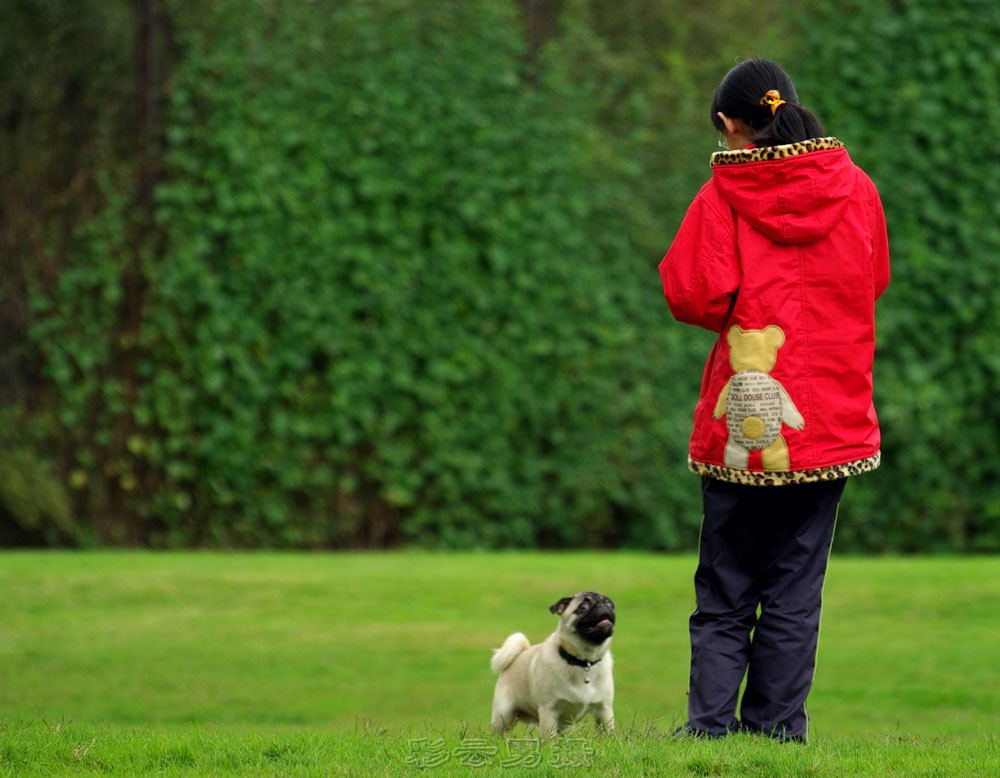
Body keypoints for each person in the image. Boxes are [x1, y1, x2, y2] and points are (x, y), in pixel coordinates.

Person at [658, 58, 890, 742]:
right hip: (832, 421)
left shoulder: (723, 196)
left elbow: (690, 294)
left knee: (727, 583)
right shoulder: (859, 191)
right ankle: (778, 732)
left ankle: (707, 730)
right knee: (795, 587)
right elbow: (870, 280)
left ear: (732, 124)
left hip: (741, 428)